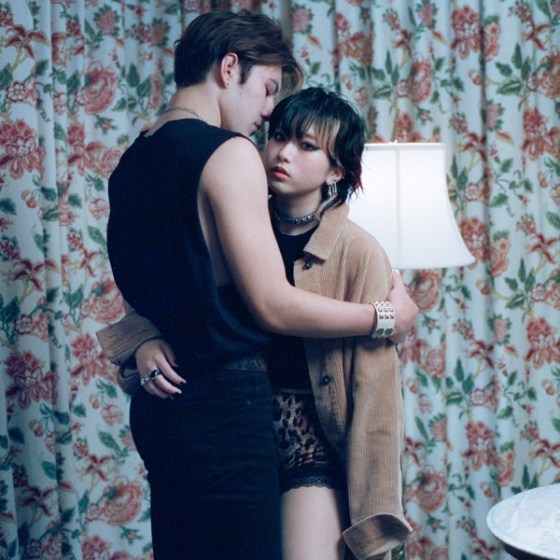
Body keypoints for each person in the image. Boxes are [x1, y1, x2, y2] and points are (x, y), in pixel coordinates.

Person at [103, 9, 418, 559]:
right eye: (268, 89)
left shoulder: (132, 161)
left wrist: (144, 340)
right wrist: (385, 316)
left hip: (166, 412)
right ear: (229, 68)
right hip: (228, 406)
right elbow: (271, 303)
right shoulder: (229, 154)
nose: (268, 110)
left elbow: (165, 285)